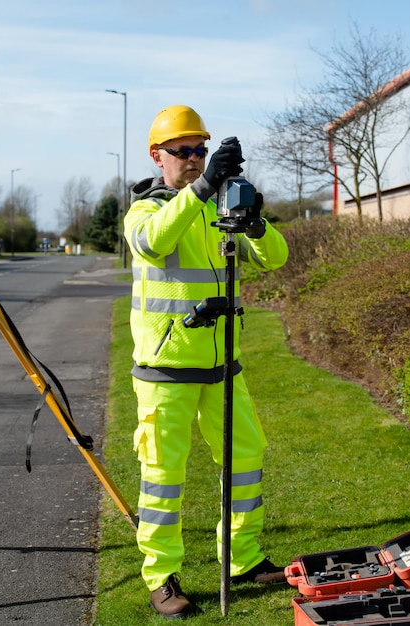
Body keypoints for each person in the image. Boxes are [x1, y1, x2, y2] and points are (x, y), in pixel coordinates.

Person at [124, 105, 289, 619]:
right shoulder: (145, 212)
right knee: (163, 476)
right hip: (166, 368)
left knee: (244, 463)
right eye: (184, 151)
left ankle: (242, 559)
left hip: (222, 367)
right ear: (158, 156)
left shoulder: (218, 210)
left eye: (201, 151)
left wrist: (255, 224)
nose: (195, 160)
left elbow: (276, 258)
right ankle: (161, 576)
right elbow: (153, 244)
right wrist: (203, 189)